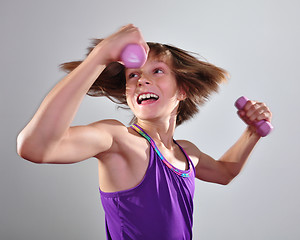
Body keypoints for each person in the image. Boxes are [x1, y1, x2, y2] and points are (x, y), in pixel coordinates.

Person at [17, 24, 272, 240]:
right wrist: (99, 56)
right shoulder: (118, 141)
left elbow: (225, 172)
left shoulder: (186, 153)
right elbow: (34, 147)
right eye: (133, 75)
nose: (141, 80)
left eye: (157, 71)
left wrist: (252, 133)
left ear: (182, 90)